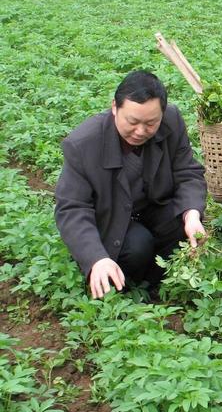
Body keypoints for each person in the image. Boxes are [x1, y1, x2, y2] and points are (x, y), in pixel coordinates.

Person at [55, 70, 207, 299]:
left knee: (183, 225)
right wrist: (95, 258)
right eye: (132, 122)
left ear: (162, 114)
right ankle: (126, 289)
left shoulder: (172, 120)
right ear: (114, 107)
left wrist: (192, 214)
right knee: (137, 246)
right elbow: (72, 208)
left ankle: (157, 285)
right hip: (111, 216)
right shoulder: (83, 144)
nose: (140, 131)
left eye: (151, 123)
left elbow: (187, 172)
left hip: (153, 205)